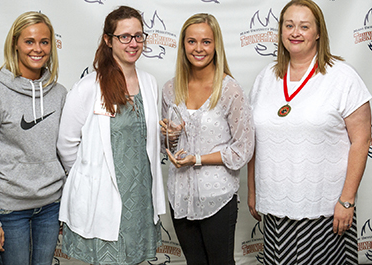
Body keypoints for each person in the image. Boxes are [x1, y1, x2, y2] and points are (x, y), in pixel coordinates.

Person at [248, 0, 371, 264]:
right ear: (280, 31)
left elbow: (361, 140)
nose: (295, 32)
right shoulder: (265, 78)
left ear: (318, 33)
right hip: (276, 209)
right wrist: (252, 190)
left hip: (326, 211)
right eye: (289, 25)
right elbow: (254, 141)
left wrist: (347, 200)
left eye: (304, 26)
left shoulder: (342, 77)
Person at [57, 6, 166, 265]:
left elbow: (148, 142)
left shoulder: (150, 83)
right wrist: (90, 176)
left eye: (139, 36)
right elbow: (66, 144)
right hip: (102, 199)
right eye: (124, 36)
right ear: (108, 40)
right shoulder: (88, 87)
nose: (133, 43)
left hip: (140, 200)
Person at [0, 11, 67, 265]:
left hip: (50, 207)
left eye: (44, 42)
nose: (38, 49)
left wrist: (67, 206)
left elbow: (65, 153)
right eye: (29, 41)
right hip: (9, 211)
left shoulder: (59, 94)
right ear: (15, 43)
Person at [160, 13, 254, 265]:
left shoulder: (229, 89)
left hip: (218, 197)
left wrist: (198, 159)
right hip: (179, 196)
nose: (198, 48)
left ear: (216, 46)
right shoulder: (170, 88)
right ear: (182, 45)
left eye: (206, 42)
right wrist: (170, 136)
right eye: (191, 41)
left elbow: (243, 149)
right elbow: (167, 147)